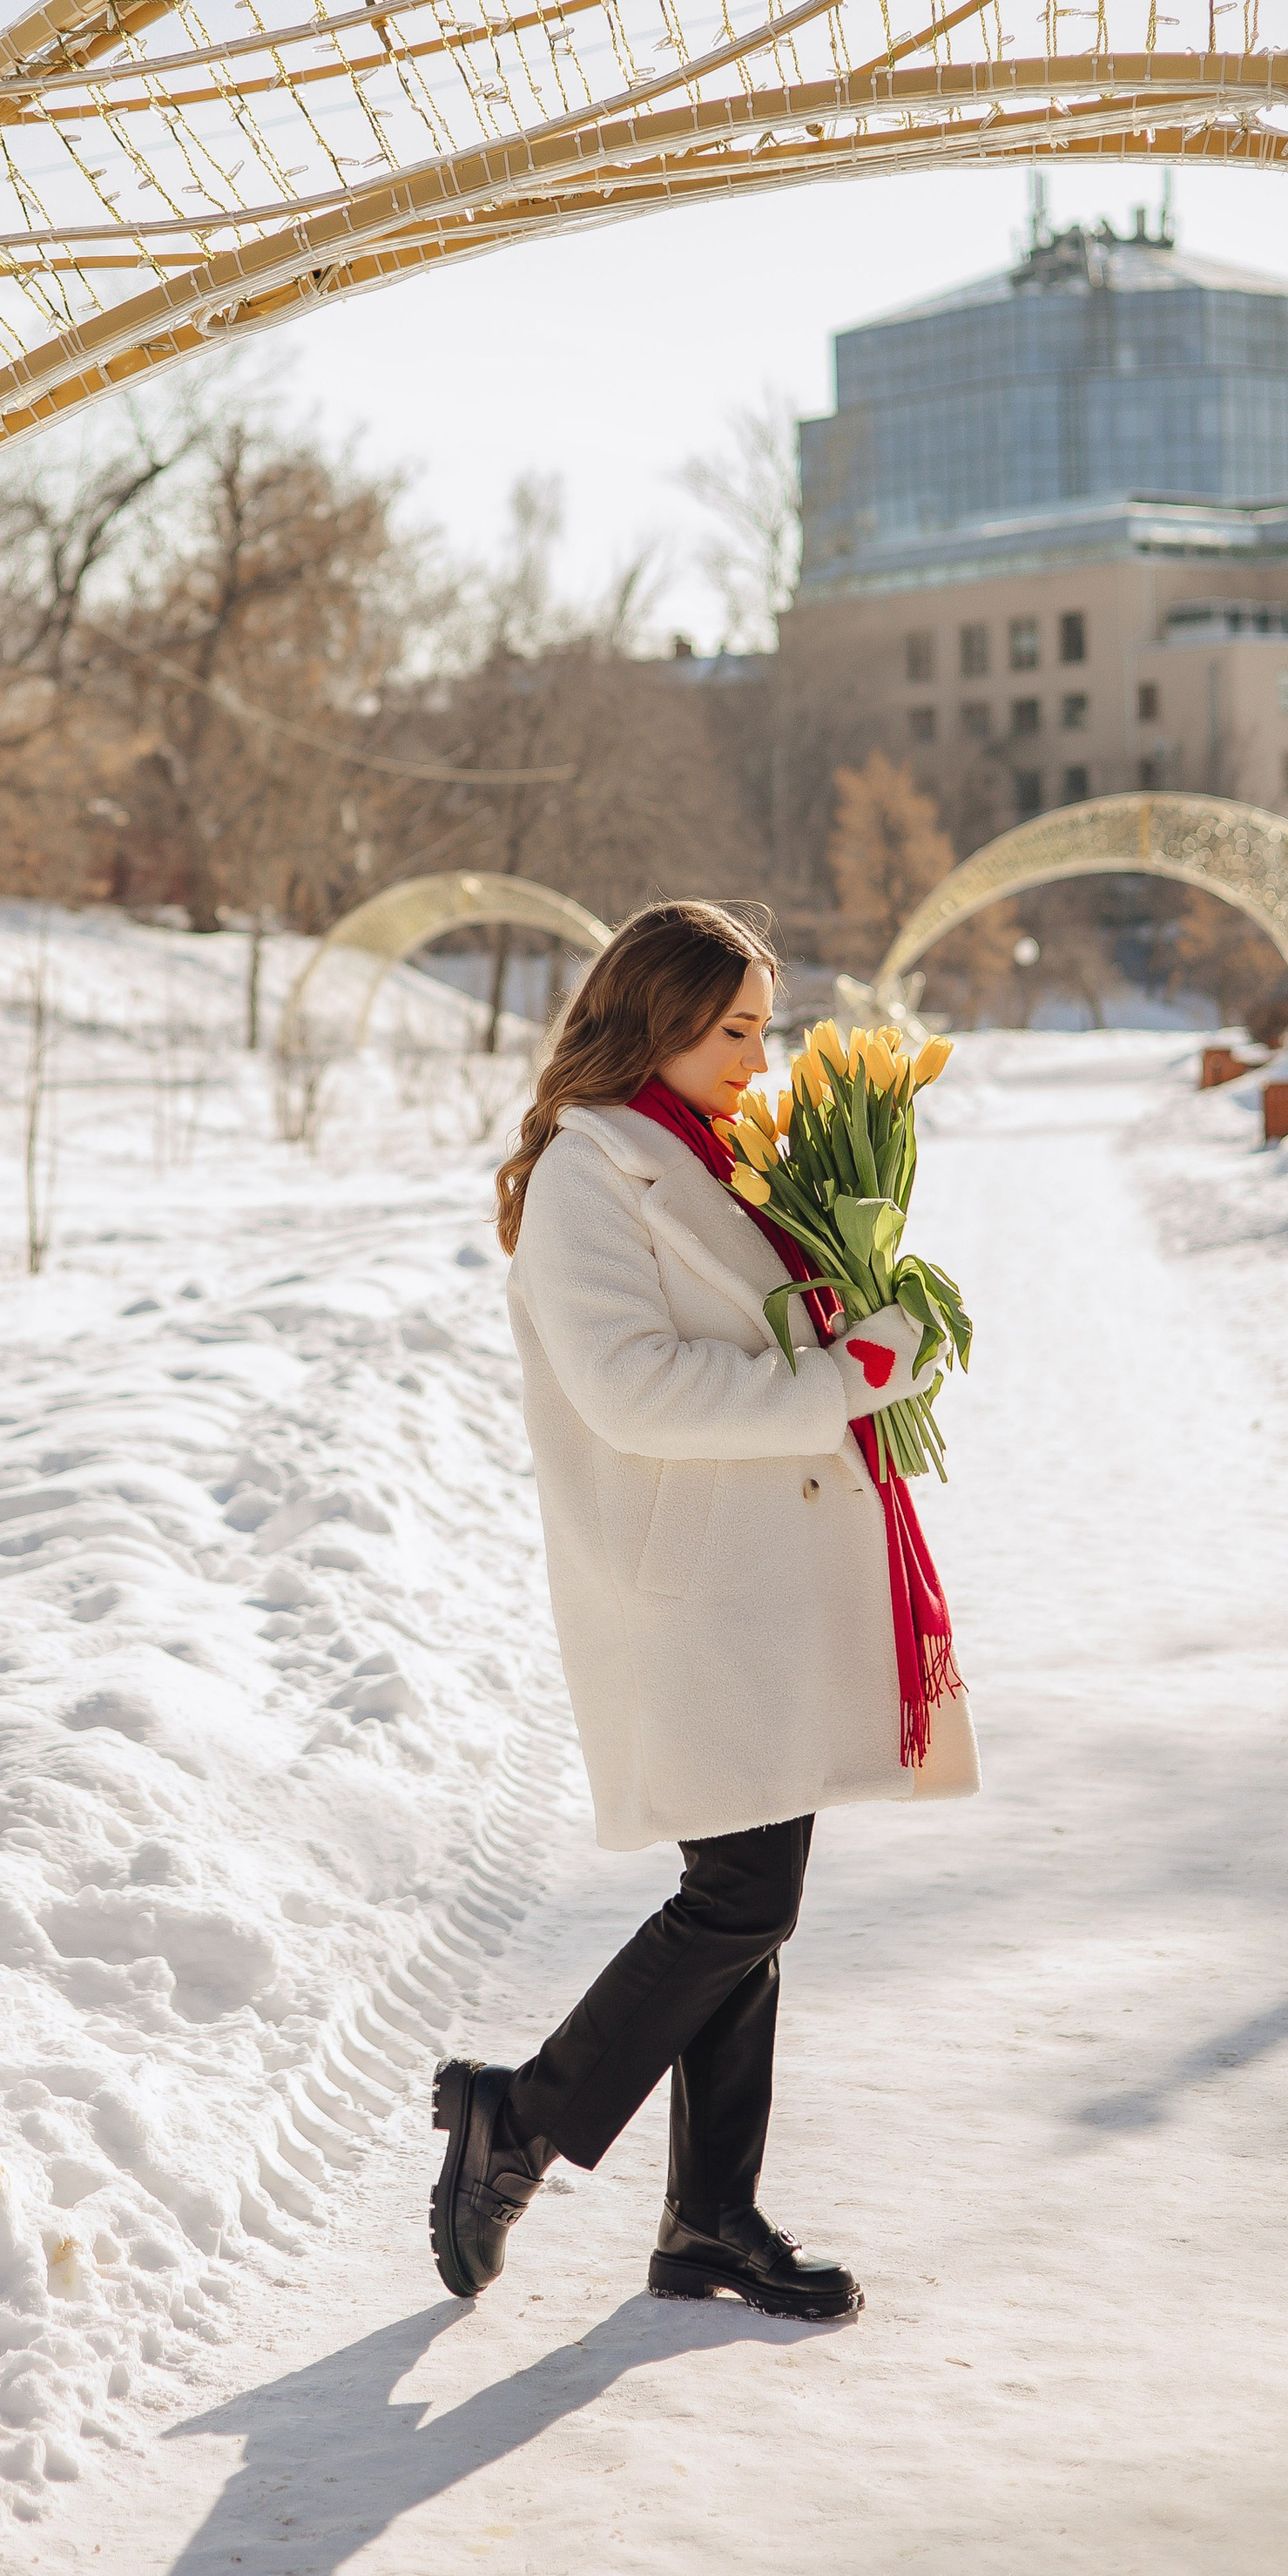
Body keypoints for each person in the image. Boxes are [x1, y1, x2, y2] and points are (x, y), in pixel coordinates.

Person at [431, 900, 978, 2320]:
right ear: (657, 1017)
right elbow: (638, 1388)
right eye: (734, 1026)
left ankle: (706, 2219)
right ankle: (522, 2118)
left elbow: (761, 1328)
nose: (759, 1052)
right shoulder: (591, 1176)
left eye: (765, 1025)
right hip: (688, 1585)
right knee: (742, 1894)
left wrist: (872, 1326)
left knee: (752, 1902)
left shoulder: (712, 1156)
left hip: (759, 1576)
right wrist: (842, 1379)